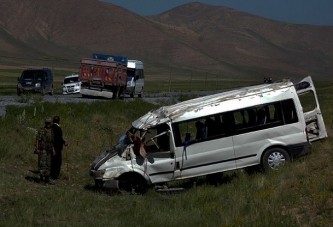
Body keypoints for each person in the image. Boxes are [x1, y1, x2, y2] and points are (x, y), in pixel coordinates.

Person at [35, 117, 55, 184]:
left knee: (48, 165)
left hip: (49, 150)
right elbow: (38, 139)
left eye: (49, 123)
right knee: (42, 164)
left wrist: (53, 150)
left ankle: (47, 179)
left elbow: (52, 142)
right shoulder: (41, 130)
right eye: (47, 123)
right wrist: (37, 149)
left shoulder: (52, 131)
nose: (48, 124)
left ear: (51, 123)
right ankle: (41, 178)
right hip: (42, 149)